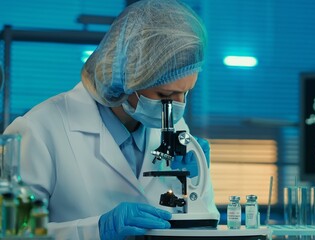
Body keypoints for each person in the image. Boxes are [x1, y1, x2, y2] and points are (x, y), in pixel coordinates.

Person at [4, 0, 220, 239]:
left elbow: (203, 225)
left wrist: (195, 187)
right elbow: (11, 232)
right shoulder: (39, 130)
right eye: (165, 95)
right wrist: (95, 230)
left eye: (186, 93)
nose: (177, 108)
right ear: (127, 77)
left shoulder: (171, 125)